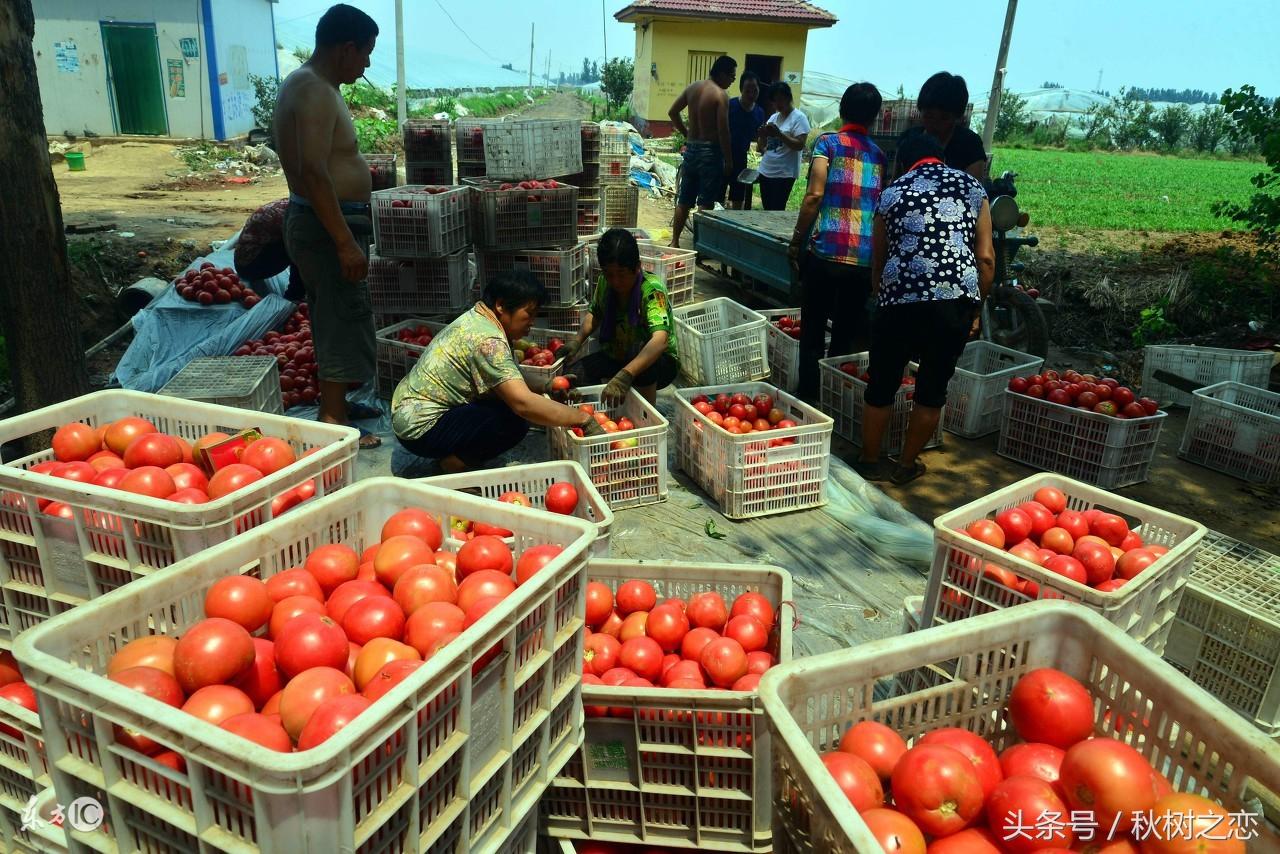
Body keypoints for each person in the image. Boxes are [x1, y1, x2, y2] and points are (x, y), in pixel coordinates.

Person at [858, 132, 995, 485]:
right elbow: (985, 258)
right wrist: (976, 309)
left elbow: (879, 257)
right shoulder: (973, 188)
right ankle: (905, 465)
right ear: (941, 157)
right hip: (954, 301)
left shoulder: (891, 193)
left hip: (899, 298)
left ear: (904, 162)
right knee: (932, 387)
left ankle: (870, 461)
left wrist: (880, 293)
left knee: (882, 383)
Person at [275, 4, 381, 448]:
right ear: (346, 48)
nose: (368, 64)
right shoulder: (315, 90)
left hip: (320, 221)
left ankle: (338, 403)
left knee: (330, 317)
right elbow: (314, 171)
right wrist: (344, 242)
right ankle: (334, 421)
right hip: (325, 226)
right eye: (366, 53)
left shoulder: (307, 85)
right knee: (341, 317)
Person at [392, 272, 607, 474]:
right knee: (514, 421)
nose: (532, 322)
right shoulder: (488, 340)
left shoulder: (479, 317)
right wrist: (582, 419)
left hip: (409, 412)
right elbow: (523, 404)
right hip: (421, 428)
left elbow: (509, 374)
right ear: (501, 305)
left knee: (506, 405)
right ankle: (452, 465)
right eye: (529, 314)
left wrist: (546, 386)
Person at [788, 83, 886, 401]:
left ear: (842, 110)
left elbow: (814, 195)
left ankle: (807, 396)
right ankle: (834, 398)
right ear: (873, 118)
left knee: (813, 329)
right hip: (863, 260)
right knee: (844, 334)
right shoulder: (879, 155)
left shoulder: (827, 143)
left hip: (826, 254)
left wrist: (796, 241)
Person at [558, 229, 680, 406]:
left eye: (621, 274)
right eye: (609, 274)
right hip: (617, 354)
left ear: (637, 267)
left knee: (640, 352)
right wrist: (577, 341)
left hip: (658, 363)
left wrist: (626, 374)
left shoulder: (652, 291)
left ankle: (645, 416)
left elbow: (660, 340)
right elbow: (595, 313)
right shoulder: (604, 283)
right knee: (574, 375)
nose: (615, 281)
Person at [668, 55, 737, 247]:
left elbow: (672, 112)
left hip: (691, 150)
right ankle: (700, 245)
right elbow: (723, 131)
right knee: (705, 203)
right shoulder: (720, 95)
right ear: (721, 74)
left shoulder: (693, 88)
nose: (733, 80)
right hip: (710, 153)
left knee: (684, 200)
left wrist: (687, 134)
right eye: (731, 75)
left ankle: (674, 242)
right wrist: (729, 160)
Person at [894, 72, 987, 181]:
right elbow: (895, 184)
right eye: (929, 116)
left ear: (957, 118)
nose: (934, 123)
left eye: (944, 118)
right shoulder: (908, 139)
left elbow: (974, 190)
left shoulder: (969, 145)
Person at [756, 82, 811, 211]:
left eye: (780, 100)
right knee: (767, 209)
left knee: (776, 210)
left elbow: (799, 145)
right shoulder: (774, 117)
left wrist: (779, 134)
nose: (777, 104)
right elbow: (762, 148)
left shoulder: (799, 118)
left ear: (789, 98)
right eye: (774, 101)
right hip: (766, 171)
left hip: (784, 174)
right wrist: (762, 135)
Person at [722, 71, 765, 210]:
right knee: (717, 196)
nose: (751, 94)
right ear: (741, 89)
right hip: (722, 156)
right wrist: (727, 160)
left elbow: (759, 139)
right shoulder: (729, 106)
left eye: (755, 90)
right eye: (748, 91)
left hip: (741, 159)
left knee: (738, 197)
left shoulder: (759, 112)